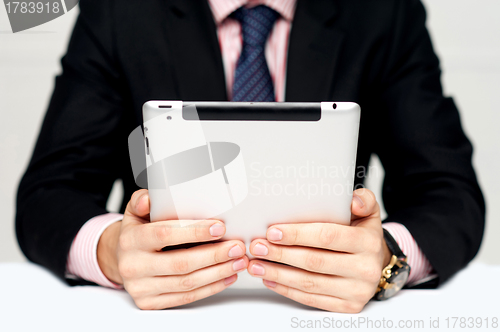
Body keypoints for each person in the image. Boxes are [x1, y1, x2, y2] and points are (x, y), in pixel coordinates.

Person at [16, 0, 485, 312]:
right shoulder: (120, 11)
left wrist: (386, 258)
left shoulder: (383, 12)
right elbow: (49, 194)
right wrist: (113, 250)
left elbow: (449, 193)